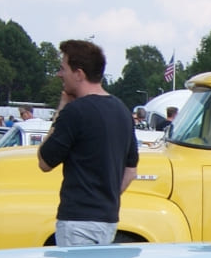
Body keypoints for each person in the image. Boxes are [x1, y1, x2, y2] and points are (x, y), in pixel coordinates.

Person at [37, 39, 139, 247]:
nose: (59, 74)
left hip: (77, 221)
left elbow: (44, 161)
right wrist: (105, 195)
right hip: (108, 219)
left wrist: (62, 108)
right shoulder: (123, 111)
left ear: (79, 73)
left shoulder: (75, 112)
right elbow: (130, 171)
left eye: (63, 68)